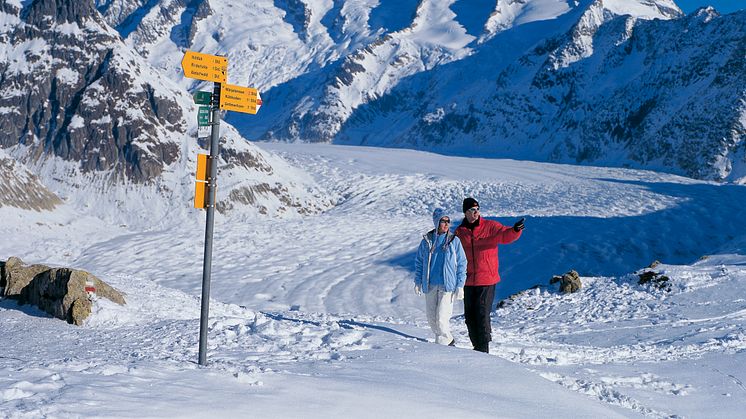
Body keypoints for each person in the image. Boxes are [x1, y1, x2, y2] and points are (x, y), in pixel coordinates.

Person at [455, 197, 524, 353]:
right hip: (468, 281)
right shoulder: (460, 232)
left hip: (486, 279)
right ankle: (476, 346)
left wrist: (515, 230)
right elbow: (454, 254)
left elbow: (505, 235)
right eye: (473, 210)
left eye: (478, 209)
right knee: (469, 315)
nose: (476, 212)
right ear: (465, 212)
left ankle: (483, 348)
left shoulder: (490, 226)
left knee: (481, 313)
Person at [414, 208, 467, 346]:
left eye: (448, 221)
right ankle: (447, 341)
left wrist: (460, 285)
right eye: (443, 221)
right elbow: (419, 262)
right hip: (430, 284)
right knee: (431, 319)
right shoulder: (427, 241)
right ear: (436, 222)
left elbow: (462, 263)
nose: (446, 224)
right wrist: (418, 281)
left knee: (442, 319)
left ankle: (442, 347)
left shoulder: (454, 241)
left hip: (447, 285)